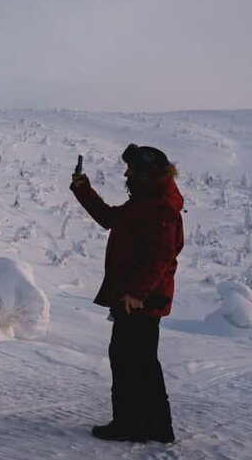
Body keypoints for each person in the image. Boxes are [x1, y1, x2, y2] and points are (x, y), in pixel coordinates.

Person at [70, 144, 184, 444]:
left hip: (140, 300)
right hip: (136, 298)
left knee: (130, 360)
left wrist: (136, 293)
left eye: (131, 170)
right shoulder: (146, 202)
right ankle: (155, 428)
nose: (126, 174)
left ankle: (130, 424)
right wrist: (84, 190)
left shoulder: (159, 206)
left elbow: (159, 257)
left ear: (145, 173)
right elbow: (110, 218)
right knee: (139, 360)